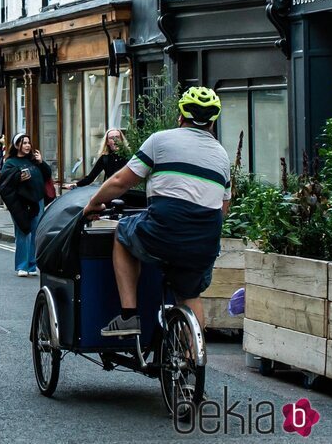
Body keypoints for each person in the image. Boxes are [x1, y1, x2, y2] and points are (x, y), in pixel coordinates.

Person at [83, 87, 231, 337]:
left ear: (181, 115)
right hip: (203, 240)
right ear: (213, 121)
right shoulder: (222, 155)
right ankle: (191, 361)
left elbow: (120, 182)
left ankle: (129, 316)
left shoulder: (160, 140)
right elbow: (223, 209)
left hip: (164, 231)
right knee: (189, 293)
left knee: (123, 233)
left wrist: (93, 204)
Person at [1, 134, 53, 277]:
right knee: (23, 232)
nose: (27, 145)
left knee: (36, 233)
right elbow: (4, 182)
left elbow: (47, 175)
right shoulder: (10, 162)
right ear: (17, 145)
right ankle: (22, 266)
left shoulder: (34, 161)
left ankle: (32, 265)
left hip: (37, 201)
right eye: (24, 143)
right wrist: (18, 177)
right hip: (20, 203)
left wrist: (41, 162)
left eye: (29, 143)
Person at [63, 128, 128, 189]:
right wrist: (76, 184)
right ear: (107, 142)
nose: (115, 140)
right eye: (111, 138)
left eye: (117, 137)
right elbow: (90, 178)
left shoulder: (129, 155)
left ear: (122, 140)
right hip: (112, 191)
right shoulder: (105, 158)